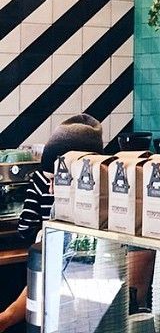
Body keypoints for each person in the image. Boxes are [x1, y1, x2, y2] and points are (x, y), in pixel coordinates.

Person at [0, 114, 103, 333]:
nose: (50, 190)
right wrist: (7, 317)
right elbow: (45, 282)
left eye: (58, 179)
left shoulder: (111, 218)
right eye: (49, 180)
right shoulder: (59, 221)